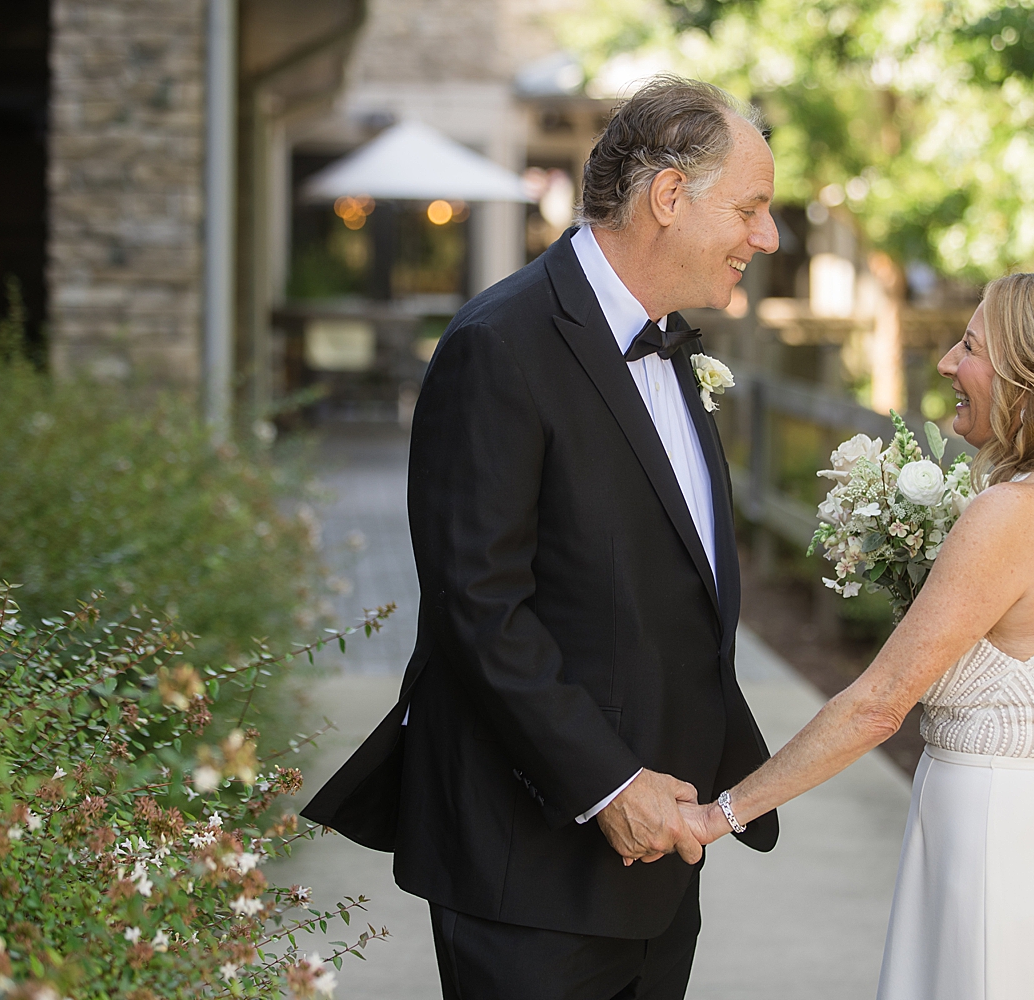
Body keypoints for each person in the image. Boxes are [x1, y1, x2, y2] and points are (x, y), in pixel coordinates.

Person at [301, 77, 782, 1000]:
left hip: (663, 864)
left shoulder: (670, 345)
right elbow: (479, 604)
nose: (765, 238)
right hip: (531, 864)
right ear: (669, 198)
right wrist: (610, 785)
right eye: (752, 209)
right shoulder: (500, 345)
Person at [680, 270, 1034, 999]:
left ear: (1032, 377)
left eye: (969, 346)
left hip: (992, 844)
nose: (946, 363)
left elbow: (879, 705)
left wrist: (720, 814)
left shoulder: (1012, 514)